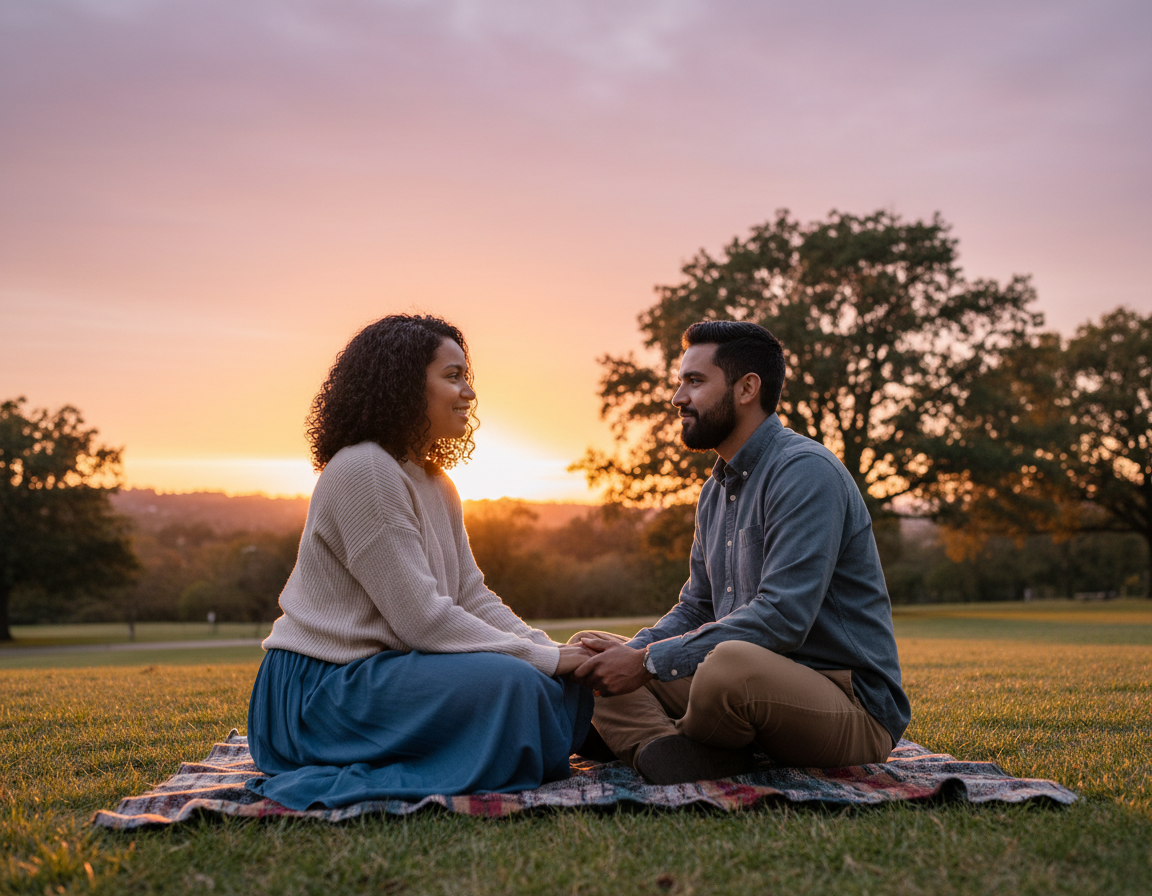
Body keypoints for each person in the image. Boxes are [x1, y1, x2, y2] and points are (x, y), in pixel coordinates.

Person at [246, 314, 593, 810]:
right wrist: (547, 659)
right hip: (319, 690)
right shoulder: (365, 469)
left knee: (551, 677)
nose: (468, 393)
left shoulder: (438, 482)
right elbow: (423, 620)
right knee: (515, 683)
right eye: (452, 376)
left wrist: (547, 648)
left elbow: (471, 596)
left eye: (466, 377)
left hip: (385, 673)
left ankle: (637, 742)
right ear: (405, 385)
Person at [571, 320, 910, 785]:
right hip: (742, 683)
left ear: (747, 387)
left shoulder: (804, 472)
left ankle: (650, 738)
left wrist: (647, 663)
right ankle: (664, 750)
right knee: (591, 651)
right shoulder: (715, 491)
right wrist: (632, 653)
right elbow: (696, 607)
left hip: (847, 702)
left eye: (694, 382)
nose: (677, 398)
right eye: (679, 382)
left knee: (726, 666)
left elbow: (782, 618)